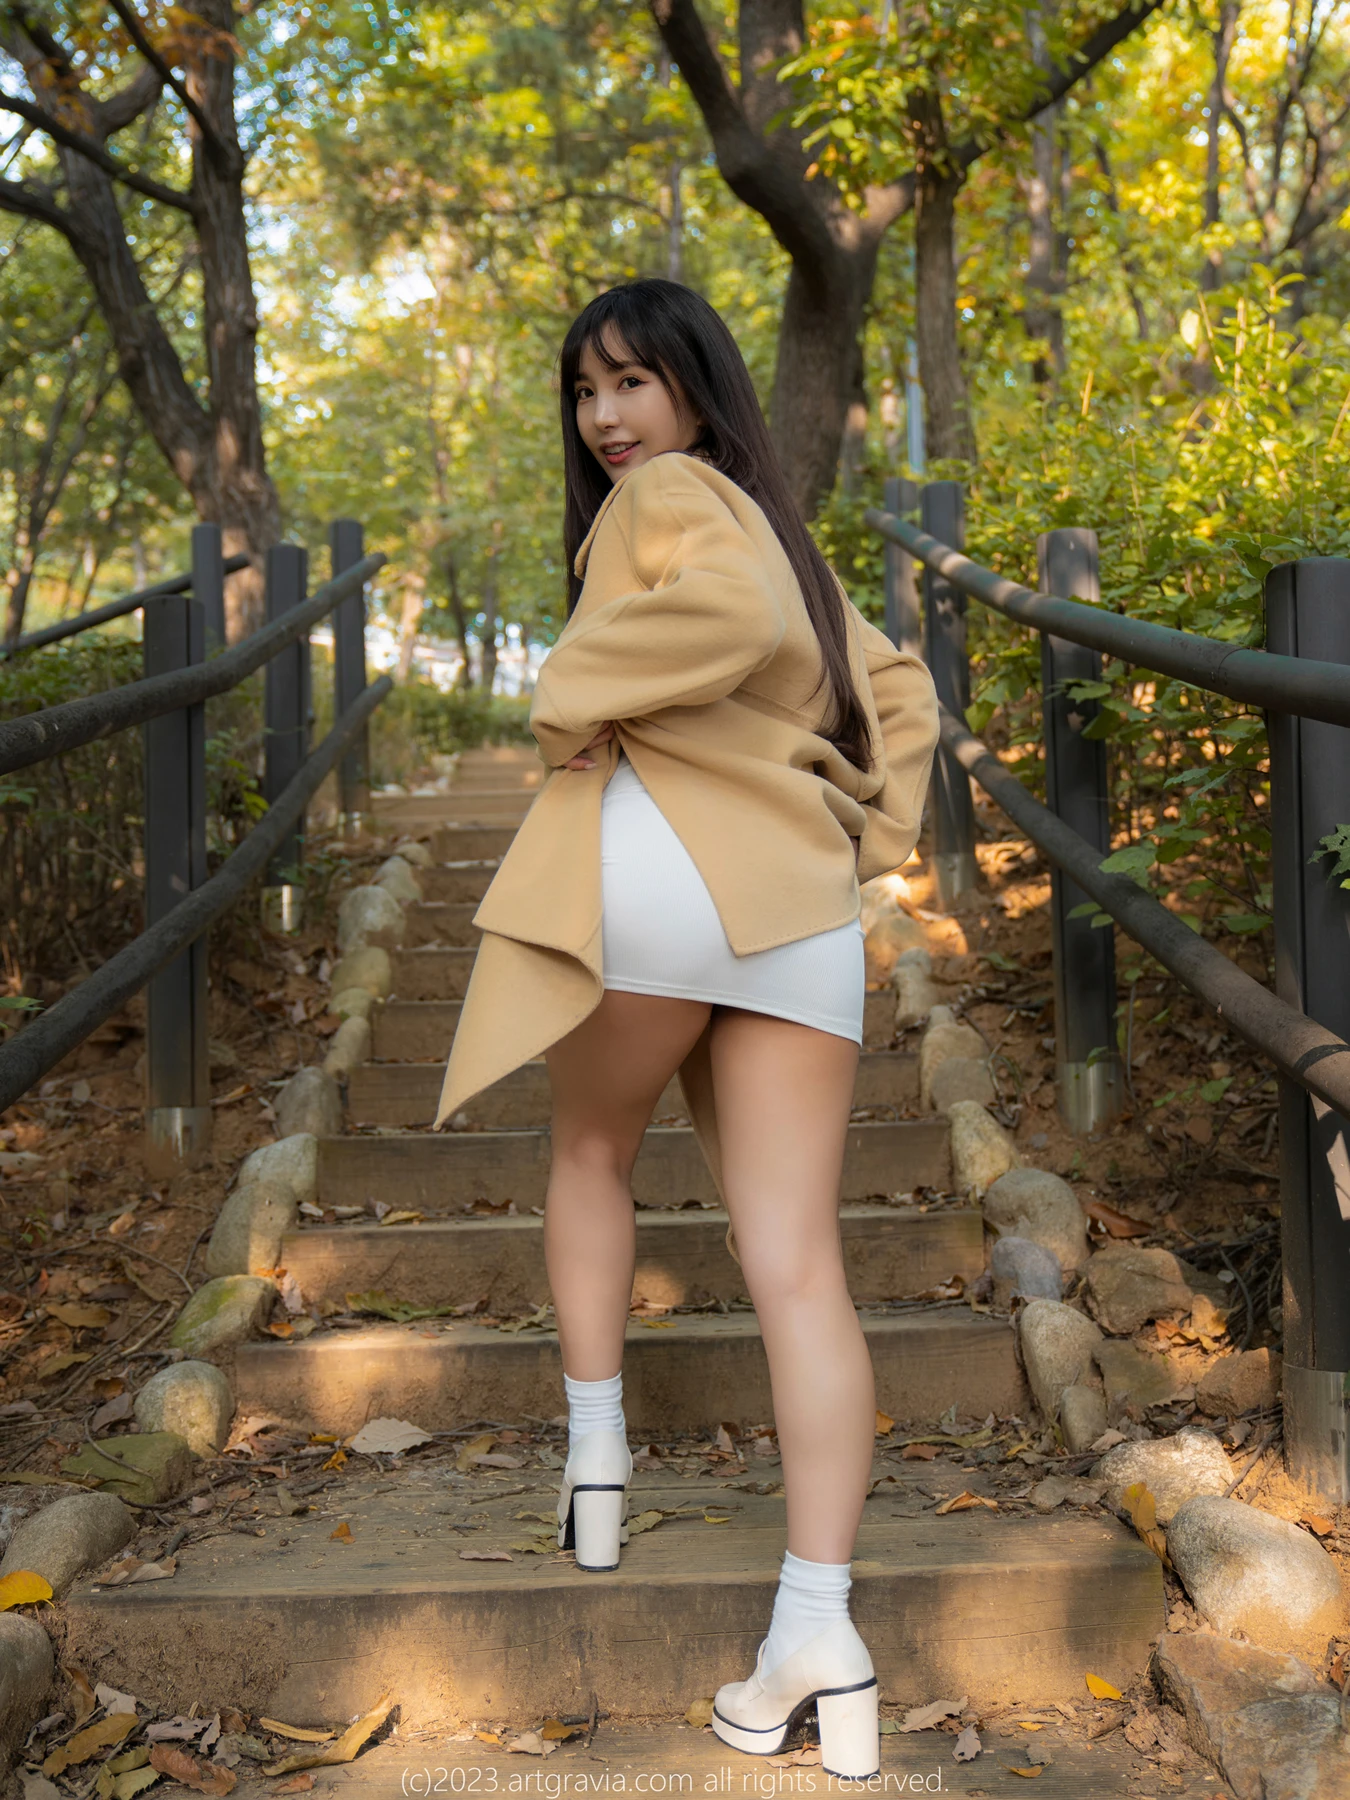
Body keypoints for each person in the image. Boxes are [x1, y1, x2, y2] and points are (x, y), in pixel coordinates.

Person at [436, 278, 938, 1779]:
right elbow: (901, 691)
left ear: (695, 389)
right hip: (793, 905)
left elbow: (718, 619)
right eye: (586, 390)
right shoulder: (789, 539)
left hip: (661, 873)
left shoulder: (662, 500)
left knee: (592, 1152)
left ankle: (596, 1457)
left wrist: (568, 692)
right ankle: (816, 1633)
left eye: (632, 383)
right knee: (799, 1267)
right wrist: (865, 834)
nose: (606, 418)